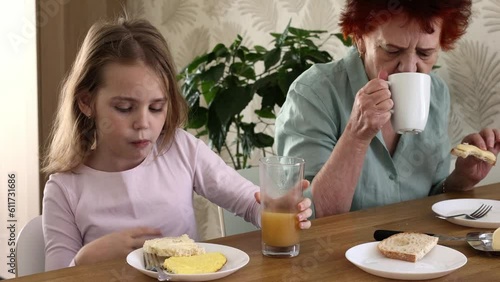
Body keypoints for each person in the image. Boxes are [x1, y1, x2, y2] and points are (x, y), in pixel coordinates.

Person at [42, 17, 312, 271]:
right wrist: (85, 259)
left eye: (156, 107)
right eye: (125, 108)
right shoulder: (64, 189)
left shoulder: (181, 149)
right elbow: (54, 277)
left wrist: (275, 207)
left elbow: (248, 202)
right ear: (87, 103)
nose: (143, 123)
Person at [275, 0, 500, 218]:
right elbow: (312, 216)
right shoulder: (314, 94)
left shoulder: (437, 92)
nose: (409, 67)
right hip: (338, 253)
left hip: (418, 249)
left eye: (425, 53)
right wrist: (356, 135)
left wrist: (462, 179)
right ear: (360, 39)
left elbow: (430, 199)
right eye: (392, 50)